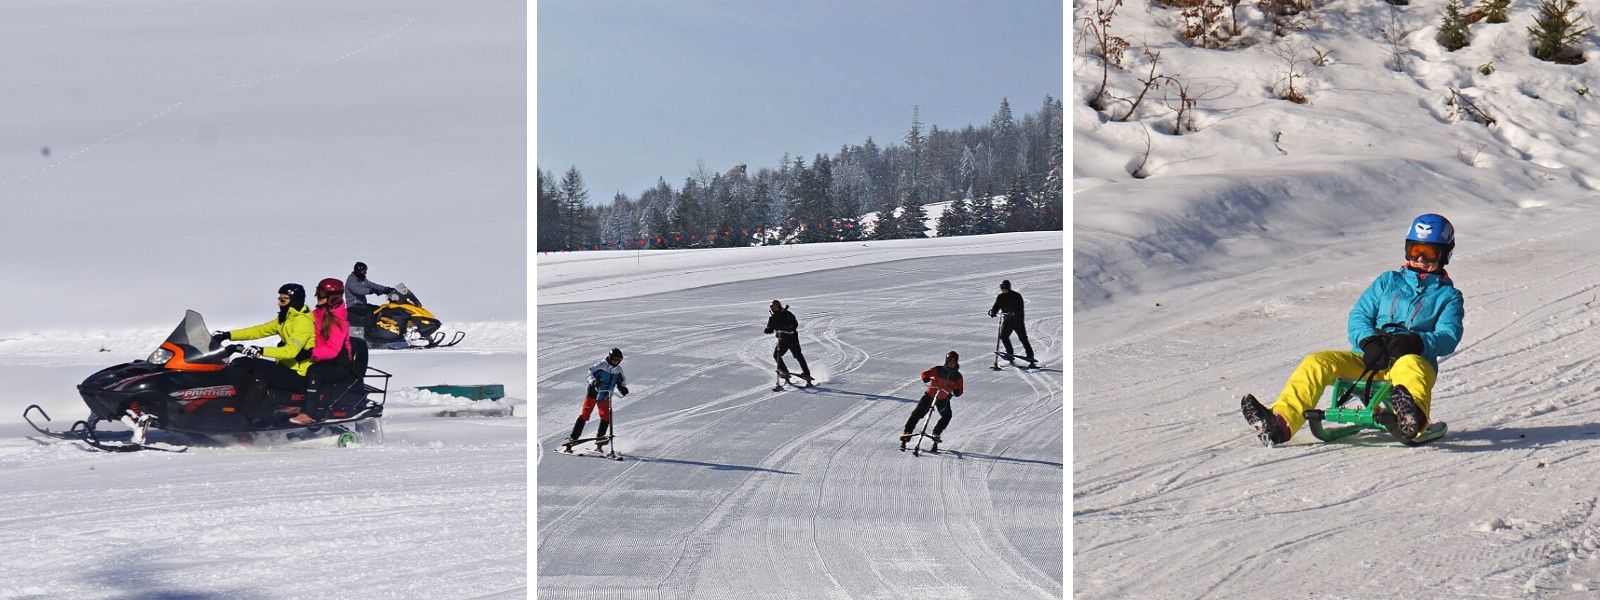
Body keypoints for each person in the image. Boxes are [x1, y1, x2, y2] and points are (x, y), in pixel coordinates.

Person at [1242, 213, 1464, 446]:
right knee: (1317, 362)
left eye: (1429, 253)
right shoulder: (1388, 281)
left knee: (1412, 365)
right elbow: (1359, 316)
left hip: (1409, 363)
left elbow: (1449, 336)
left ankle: (1411, 418)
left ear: (1445, 254)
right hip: (1370, 361)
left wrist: (1415, 342)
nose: (1420, 258)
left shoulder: (1448, 297)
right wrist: (1368, 342)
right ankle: (1280, 422)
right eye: (1414, 250)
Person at [213, 283, 315, 421]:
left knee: (262, 373)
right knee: (240, 363)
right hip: (286, 367)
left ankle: (246, 416)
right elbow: (260, 330)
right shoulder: (285, 318)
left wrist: (260, 351)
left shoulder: (302, 322)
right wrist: (228, 335)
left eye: (283, 300)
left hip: (299, 373)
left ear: (294, 301)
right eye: (279, 299)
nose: (278, 303)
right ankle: (228, 405)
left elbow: (291, 351)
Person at [290, 278, 355, 426]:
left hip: (339, 365)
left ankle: (309, 413)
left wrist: (309, 353)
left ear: (333, 297)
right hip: (324, 360)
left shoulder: (339, 320)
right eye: (317, 292)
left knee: (314, 371)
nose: (317, 296)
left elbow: (332, 349)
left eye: (321, 294)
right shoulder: (317, 313)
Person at [567, 348, 629, 450]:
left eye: (618, 360)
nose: (616, 362)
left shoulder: (618, 370)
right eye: (614, 359)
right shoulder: (601, 366)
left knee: (606, 417)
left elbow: (621, 381)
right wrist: (594, 382)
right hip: (593, 393)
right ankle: (573, 438)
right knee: (585, 414)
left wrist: (623, 388)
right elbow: (589, 374)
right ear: (610, 358)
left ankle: (600, 441)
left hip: (605, 396)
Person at [900, 351, 965, 448]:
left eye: (954, 362)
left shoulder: (958, 377)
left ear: (956, 362)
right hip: (930, 396)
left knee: (947, 416)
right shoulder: (938, 370)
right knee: (917, 413)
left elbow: (960, 391)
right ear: (946, 361)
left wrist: (956, 391)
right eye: (950, 361)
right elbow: (924, 373)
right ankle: (907, 432)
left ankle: (936, 432)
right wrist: (925, 378)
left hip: (943, 399)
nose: (952, 363)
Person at [988, 280, 1035, 365]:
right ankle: (1010, 353)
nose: (1003, 290)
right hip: (1007, 321)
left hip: (1018, 321)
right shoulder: (1000, 297)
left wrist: (1013, 313)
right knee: (1003, 336)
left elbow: (1020, 308)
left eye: (1005, 288)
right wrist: (993, 312)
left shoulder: (1016, 296)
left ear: (1008, 287)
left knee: (1023, 338)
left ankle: (1030, 356)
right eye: (1002, 288)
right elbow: (996, 306)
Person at [764, 300, 812, 381]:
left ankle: (806, 374)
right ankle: (785, 372)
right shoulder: (772, 318)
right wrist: (768, 329)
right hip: (782, 339)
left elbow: (795, 323)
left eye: (776, 307)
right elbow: (770, 328)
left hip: (791, 337)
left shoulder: (786, 313)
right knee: (776, 355)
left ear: (779, 306)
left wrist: (791, 328)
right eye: (773, 307)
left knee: (798, 355)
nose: (774, 308)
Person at [344, 261, 395, 338]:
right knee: (369, 311)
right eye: (363, 271)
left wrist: (386, 289)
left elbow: (373, 285)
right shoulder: (351, 281)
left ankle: (381, 331)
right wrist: (371, 291)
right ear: (358, 271)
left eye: (365, 271)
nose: (365, 273)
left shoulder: (363, 280)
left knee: (379, 309)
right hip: (353, 305)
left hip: (362, 305)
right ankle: (368, 333)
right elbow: (358, 291)